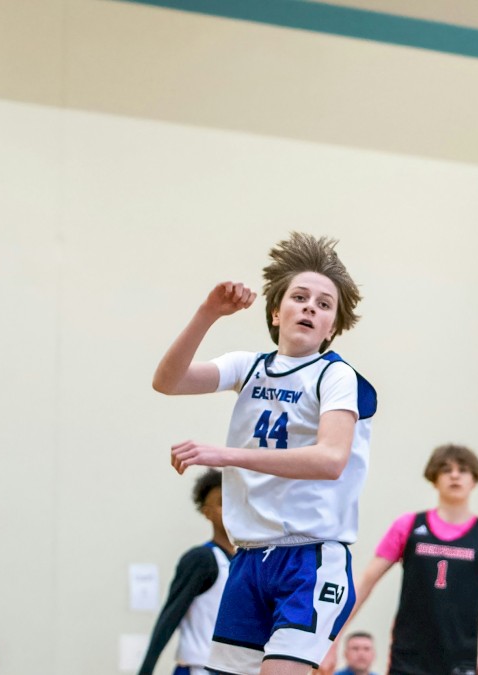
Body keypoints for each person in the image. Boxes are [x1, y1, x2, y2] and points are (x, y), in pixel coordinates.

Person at [153, 232, 376, 675]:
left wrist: (229, 455)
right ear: (277, 311)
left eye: (324, 303)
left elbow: (330, 459)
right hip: (251, 560)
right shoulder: (248, 366)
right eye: (300, 297)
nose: (311, 306)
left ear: (332, 326)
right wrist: (208, 313)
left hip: (311, 560)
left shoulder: (335, 377)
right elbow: (168, 381)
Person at [343, 444, 478, 675]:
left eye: (463, 470)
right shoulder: (408, 526)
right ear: (434, 478)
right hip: (408, 660)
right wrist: (333, 636)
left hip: (459, 662)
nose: (455, 475)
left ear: (475, 479)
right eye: (446, 469)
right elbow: (365, 581)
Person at [139, 469, 234, 675]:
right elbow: (170, 616)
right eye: (221, 503)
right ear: (206, 512)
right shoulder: (201, 559)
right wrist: (145, 670)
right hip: (200, 668)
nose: (230, 508)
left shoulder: (251, 561)